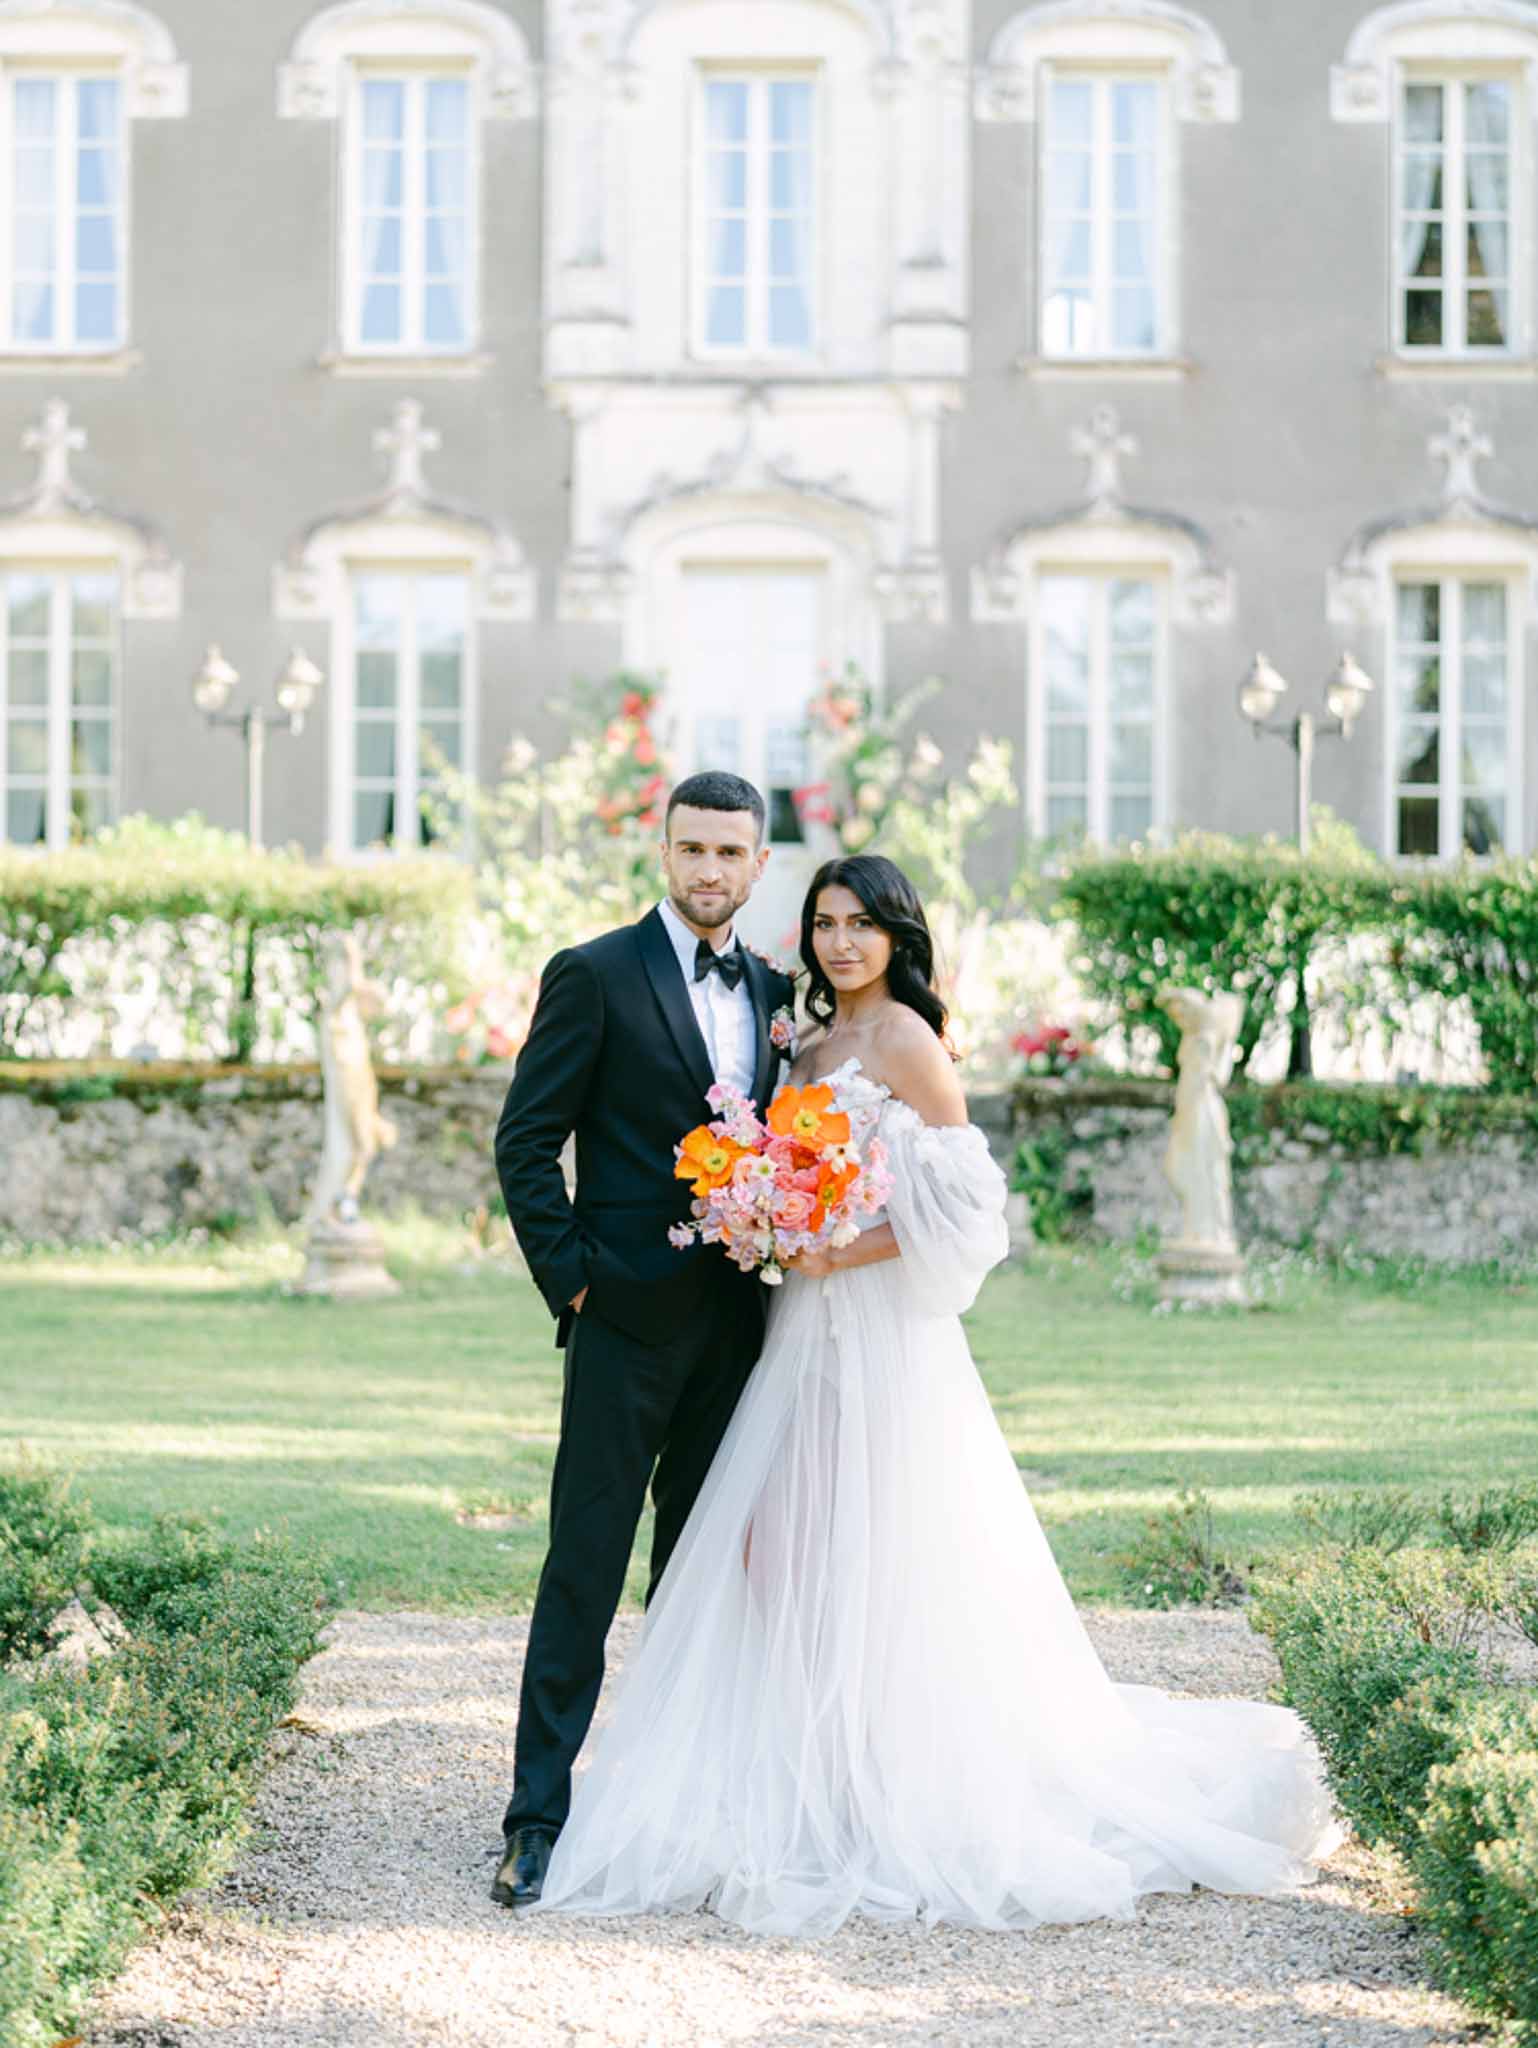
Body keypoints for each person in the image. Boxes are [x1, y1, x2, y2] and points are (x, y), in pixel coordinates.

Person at [526, 853, 1340, 1934]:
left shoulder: (909, 1041)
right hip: (790, 1330)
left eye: (861, 924)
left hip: (874, 1334)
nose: (840, 942)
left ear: (897, 937)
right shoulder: (802, 1040)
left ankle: (884, 1784)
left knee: (873, 1550)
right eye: (825, 923)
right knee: (777, 1551)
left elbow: (969, 1210)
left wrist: (840, 1249)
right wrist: (766, 1219)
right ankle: (808, 1768)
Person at [490, 771, 796, 1910]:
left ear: (759, 864)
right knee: (583, 1567)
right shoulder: (595, 973)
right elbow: (526, 1141)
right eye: (692, 849)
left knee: (700, 1576)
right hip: (620, 1320)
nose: (710, 869)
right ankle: (535, 1820)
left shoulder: (779, 993)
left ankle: (673, 1812)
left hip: (740, 1327)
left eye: (730, 852)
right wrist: (573, 1283)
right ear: (663, 852)